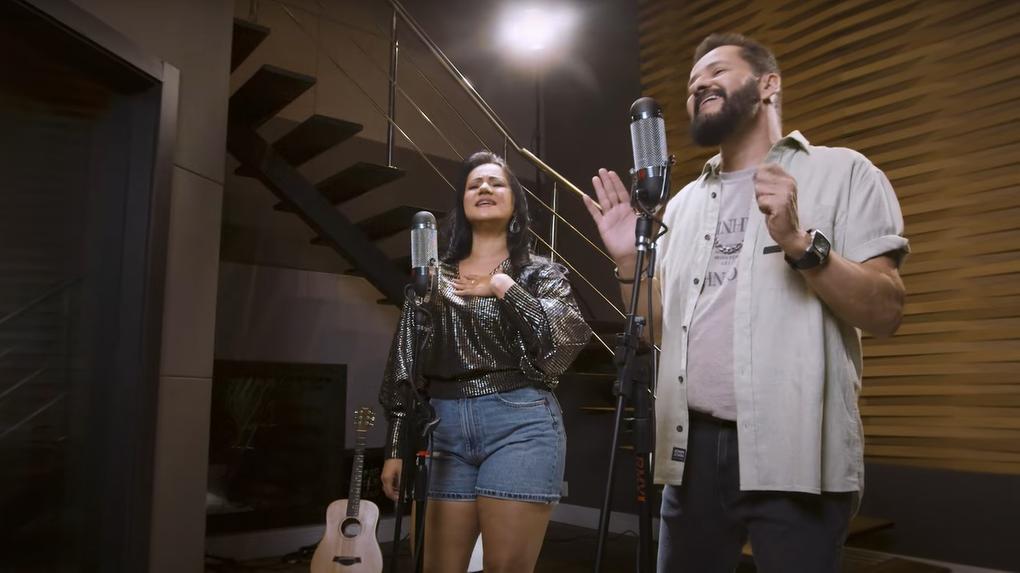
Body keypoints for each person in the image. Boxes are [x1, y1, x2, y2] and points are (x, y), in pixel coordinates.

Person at [583, 33, 908, 572]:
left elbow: (886, 311)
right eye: (691, 82)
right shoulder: (681, 206)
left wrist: (801, 245)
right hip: (691, 451)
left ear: (768, 84)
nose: (698, 85)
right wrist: (626, 262)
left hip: (797, 452)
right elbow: (654, 331)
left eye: (716, 71)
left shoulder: (844, 172)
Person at [379, 150, 592, 573]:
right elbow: (404, 364)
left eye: (496, 182)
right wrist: (397, 445)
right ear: (462, 203)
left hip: (521, 424)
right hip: (443, 430)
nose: (484, 188)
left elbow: (562, 343)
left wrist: (503, 286)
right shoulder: (432, 278)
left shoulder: (539, 274)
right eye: (474, 184)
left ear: (516, 205)